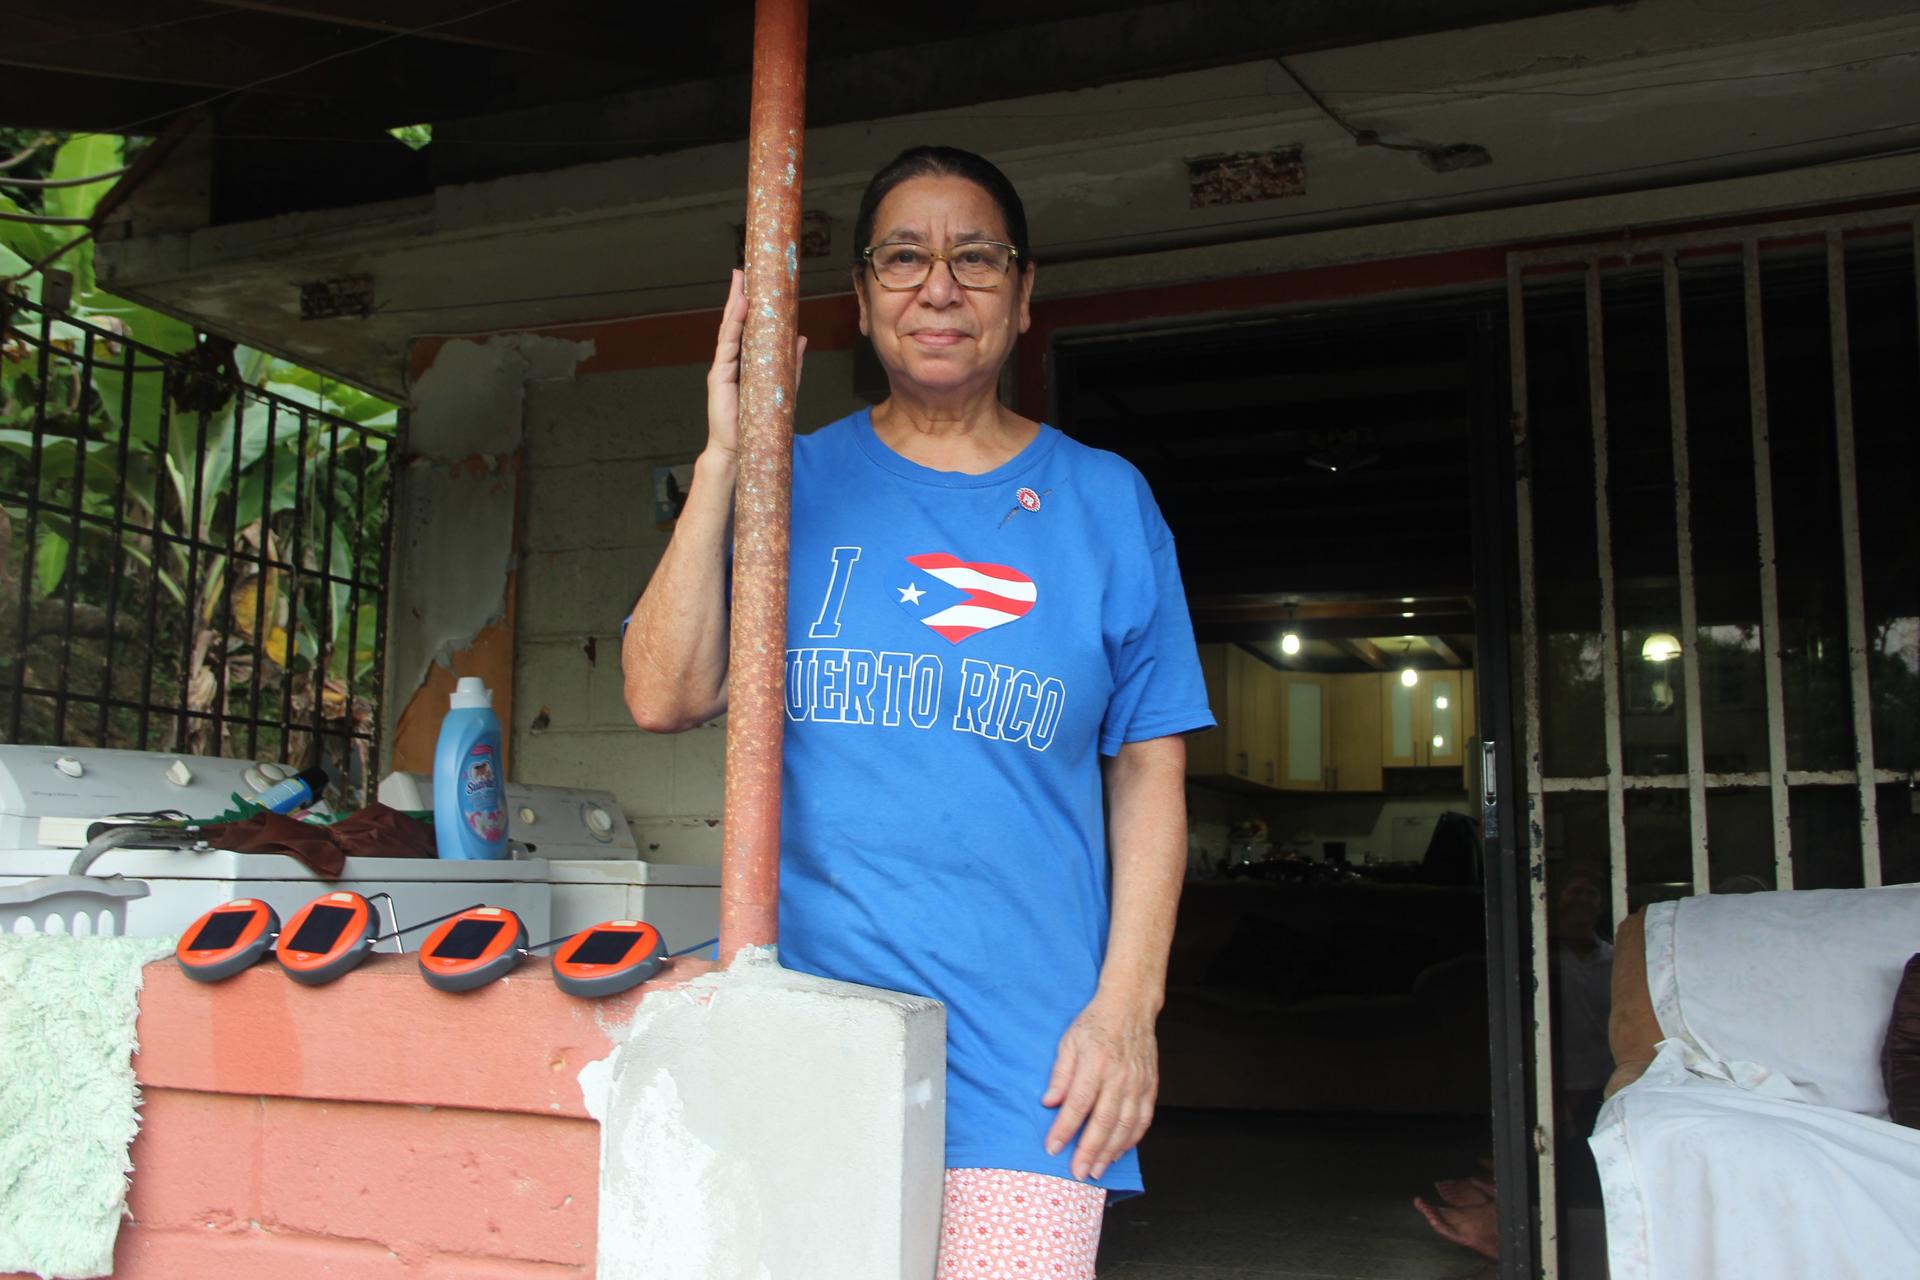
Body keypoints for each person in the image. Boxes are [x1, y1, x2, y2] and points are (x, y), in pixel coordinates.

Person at [621, 145, 1215, 1278]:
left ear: (1024, 292)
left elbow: (1149, 771)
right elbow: (665, 690)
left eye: (974, 257)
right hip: (803, 1045)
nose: (938, 285)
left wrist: (1128, 1006)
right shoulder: (785, 483)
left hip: (1031, 1072)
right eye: (904, 257)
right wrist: (725, 457)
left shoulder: (1105, 503)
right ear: (861, 298)